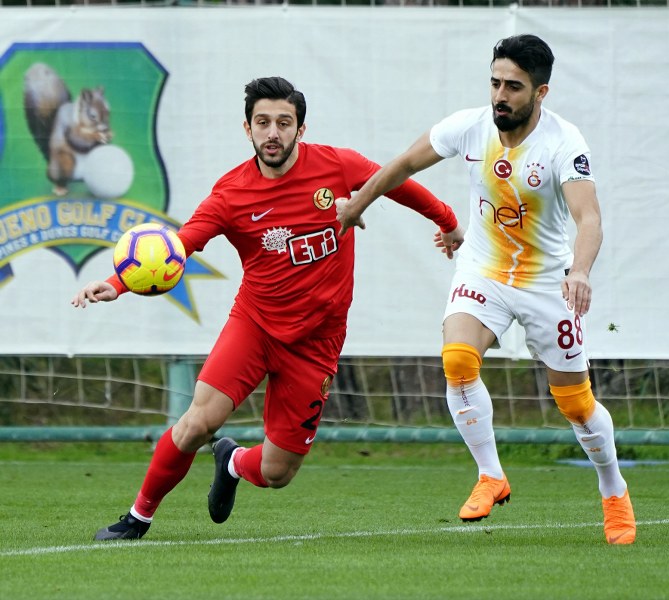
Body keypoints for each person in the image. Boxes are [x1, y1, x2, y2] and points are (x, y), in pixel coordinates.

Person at [71, 76, 465, 541]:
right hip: (254, 327)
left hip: (317, 342)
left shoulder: (338, 166)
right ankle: (137, 518)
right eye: (263, 123)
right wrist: (118, 284)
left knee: (278, 472)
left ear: (300, 128)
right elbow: (180, 246)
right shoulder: (231, 193)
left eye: (283, 122)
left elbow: (396, 182)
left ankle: (232, 462)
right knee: (199, 420)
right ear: (248, 129)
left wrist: (450, 222)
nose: (272, 132)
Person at [335, 35, 636, 545]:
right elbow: (402, 164)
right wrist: (356, 205)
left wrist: (580, 271)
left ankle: (613, 491)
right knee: (457, 361)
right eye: (495, 82)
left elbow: (589, 218)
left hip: (547, 282)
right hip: (483, 270)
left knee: (577, 406)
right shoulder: (470, 126)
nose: (500, 95)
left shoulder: (565, 143)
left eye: (513, 87)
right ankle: (491, 476)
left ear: (541, 92)